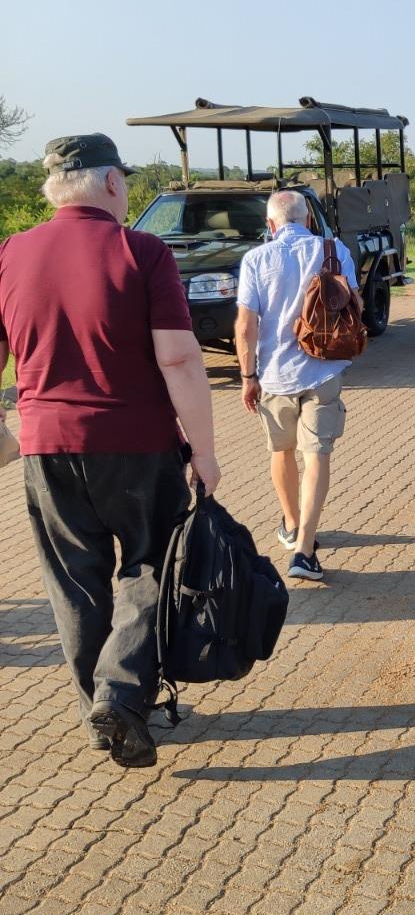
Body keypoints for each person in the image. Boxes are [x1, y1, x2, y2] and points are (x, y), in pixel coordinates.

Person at [0, 135, 220, 769]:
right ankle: (122, 700)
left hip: (46, 447)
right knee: (150, 567)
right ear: (114, 184)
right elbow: (178, 356)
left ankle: (99, 707)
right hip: (138, 445)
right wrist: (203, 451)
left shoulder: (10, 253)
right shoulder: (141, 250)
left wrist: (7, 438)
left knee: (74, 583)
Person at [235, 189, 357, 582]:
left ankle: (290, 523)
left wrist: (247, 376)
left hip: (274, 374)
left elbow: (245, 326)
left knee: (281, 450)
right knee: (317, 453)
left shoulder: (255, 259)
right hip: (323, 369)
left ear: (270, 225)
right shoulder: (333, 249)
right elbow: (353, 300)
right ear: (307, 220)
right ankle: (305, 548)